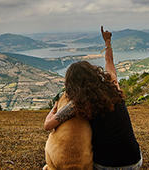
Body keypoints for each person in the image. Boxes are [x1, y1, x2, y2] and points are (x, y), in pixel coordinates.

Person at [44, 26, 142, 170]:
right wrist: (107, 41)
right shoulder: (113, 86)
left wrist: (52, 111)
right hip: (135, 163)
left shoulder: (79, 104)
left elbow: (48, 125)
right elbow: (109, 61)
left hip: (104, 167)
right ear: (94, 73)